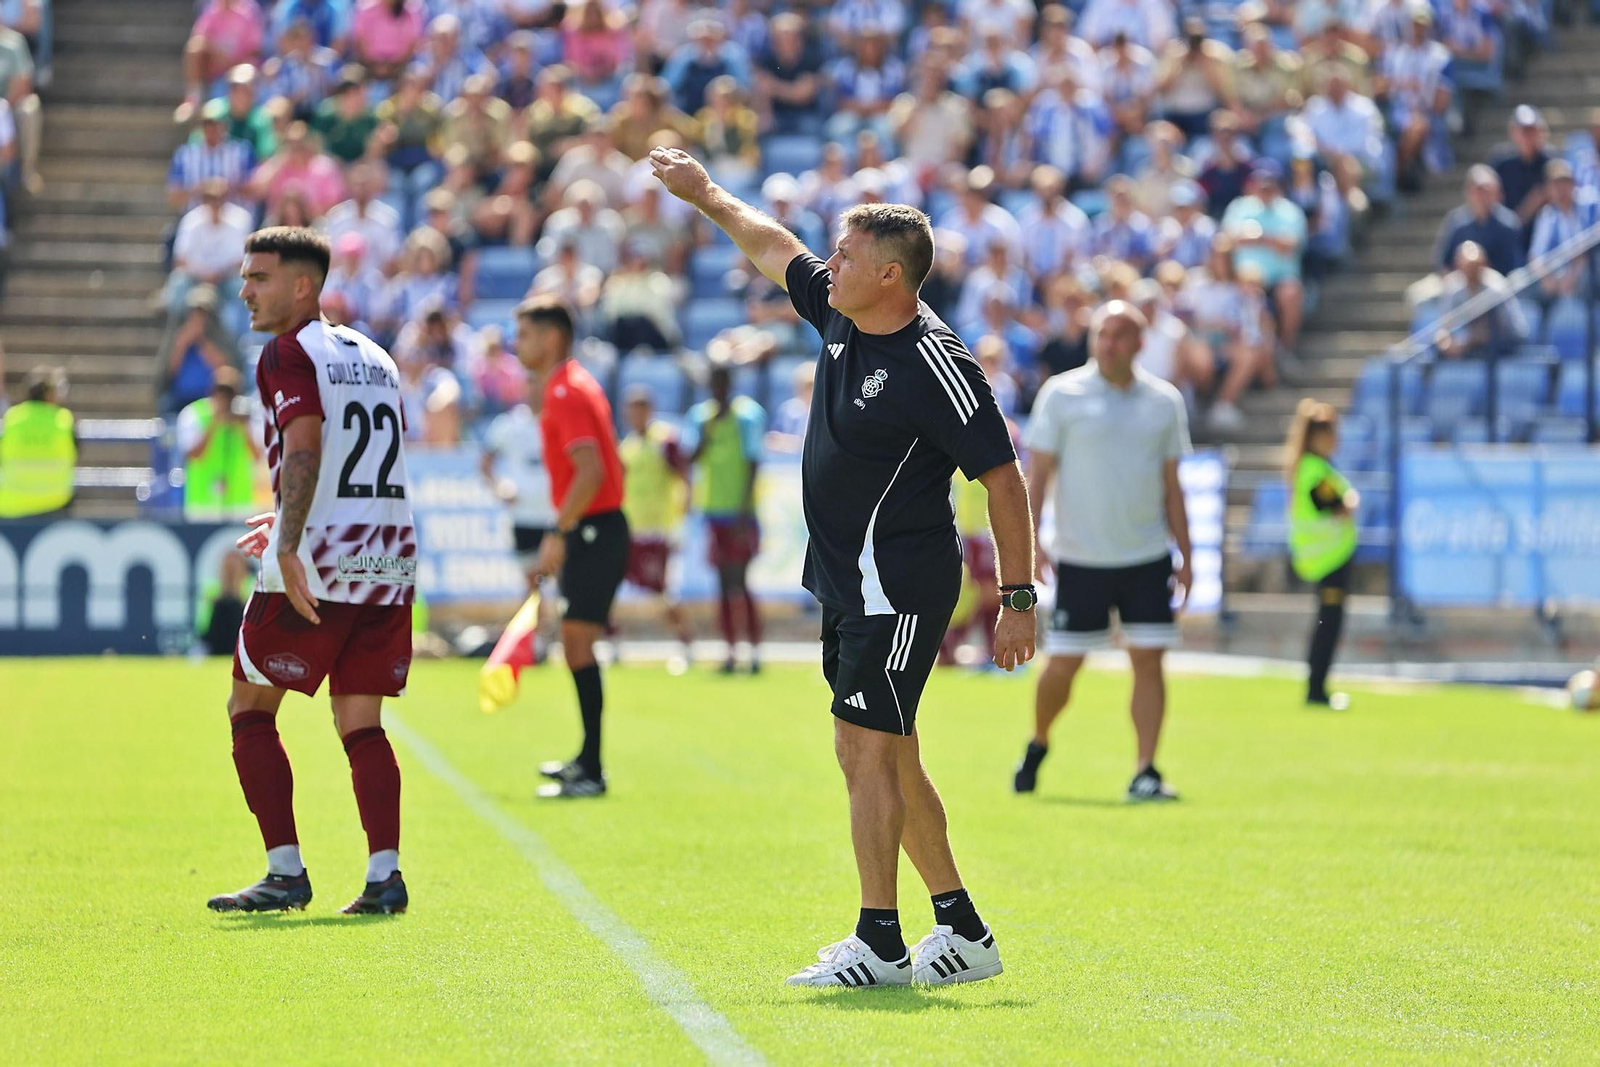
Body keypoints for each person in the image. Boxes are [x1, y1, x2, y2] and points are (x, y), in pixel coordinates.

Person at [652, 146, 1035, 988]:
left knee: (866, 750)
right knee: (886, 753)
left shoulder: (938, 362)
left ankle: (881, 943)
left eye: (849, 253)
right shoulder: (839, 311)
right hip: (849, 585)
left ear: (891, 275)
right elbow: (770, 242)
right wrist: (703, 190)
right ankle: (963, 930)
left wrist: (1018, 597)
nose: (832, 263)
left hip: (897, 590)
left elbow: (1003, 478)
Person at [211, 227, 415, 916]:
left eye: (258, 277)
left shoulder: (286, 352)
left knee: (249, 707)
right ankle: (385, 875)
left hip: (317, 565)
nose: (244, 290)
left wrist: (291, 539)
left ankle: (285, 871)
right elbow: (360, 461)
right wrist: (303, 522)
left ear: (302, 286)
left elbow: (305, 445)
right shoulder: (376, 355)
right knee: (361, 719)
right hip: (386, 557)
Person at [1015, 300, 1192, 803]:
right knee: (1063, 667)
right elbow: (1038, 478)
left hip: (1145, 556)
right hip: (1079, 558)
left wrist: (1188, 555)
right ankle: (1039, 740)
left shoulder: (1164, 402)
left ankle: (1146, 770)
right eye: (1101, 334)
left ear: (1140, 343)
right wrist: (1030, 547)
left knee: (1149, 664)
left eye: (1118, 335)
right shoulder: (1061, 393)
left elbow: (1173, 486)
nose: (1107, 343)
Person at [511, 297, 629, 799]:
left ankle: (592, 769)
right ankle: (586, 759)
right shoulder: (569, 384)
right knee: (575, 643)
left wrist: (559, 533)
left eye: (525, 335)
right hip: (592, 527)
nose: (518, 346)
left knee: (578, 642)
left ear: (551, 338)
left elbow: (592, 472)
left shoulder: (565, 390)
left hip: (593, 529)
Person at [687, 362, 766, 674]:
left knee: (740, 582)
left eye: (722, 382)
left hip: (740, 514)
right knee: (722, 584)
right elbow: (691, 458)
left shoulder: (747, 416)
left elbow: (753, 463)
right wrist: (706, 434)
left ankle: (755, 651)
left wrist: (744, 513)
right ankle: (731, 652)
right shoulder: (701, 418)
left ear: (730, 384)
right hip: (714, 512)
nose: (717, 389)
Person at [1285, 399, 1358, 710]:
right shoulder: (1314, 471)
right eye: (1331, 432)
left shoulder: (1315, 468)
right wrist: (1350, 501)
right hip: (1327, 561)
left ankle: (1318, 687)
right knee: (1327, 626)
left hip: (1329, 559)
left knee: (1328, 624)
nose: (1336, 439)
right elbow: (1339, 506)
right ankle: (1316, 690)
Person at [617, 386, 695, 672]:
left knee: (664, 593)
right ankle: (613, 645)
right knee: (613, 587)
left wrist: (682, 522)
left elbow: (684, 478)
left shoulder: (665, 440)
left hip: (659, 530)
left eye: (638, 410)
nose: (633, 416)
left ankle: (685, 643)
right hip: (632, 529)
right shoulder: (628, 445)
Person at [176, 366, 261, 521]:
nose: (225, 399)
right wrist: (214, 423)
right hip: (203, 505)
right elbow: (193, 455)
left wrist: (243, 427)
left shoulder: (247, 416)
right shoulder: (195, 414)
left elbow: (257, 455)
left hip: (239, 504)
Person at [0, 365, 75, 519]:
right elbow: (75, 454)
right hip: (55, 505)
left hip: (11, 507)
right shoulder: (64, 420)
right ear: (50, 394)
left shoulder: (11, 419)